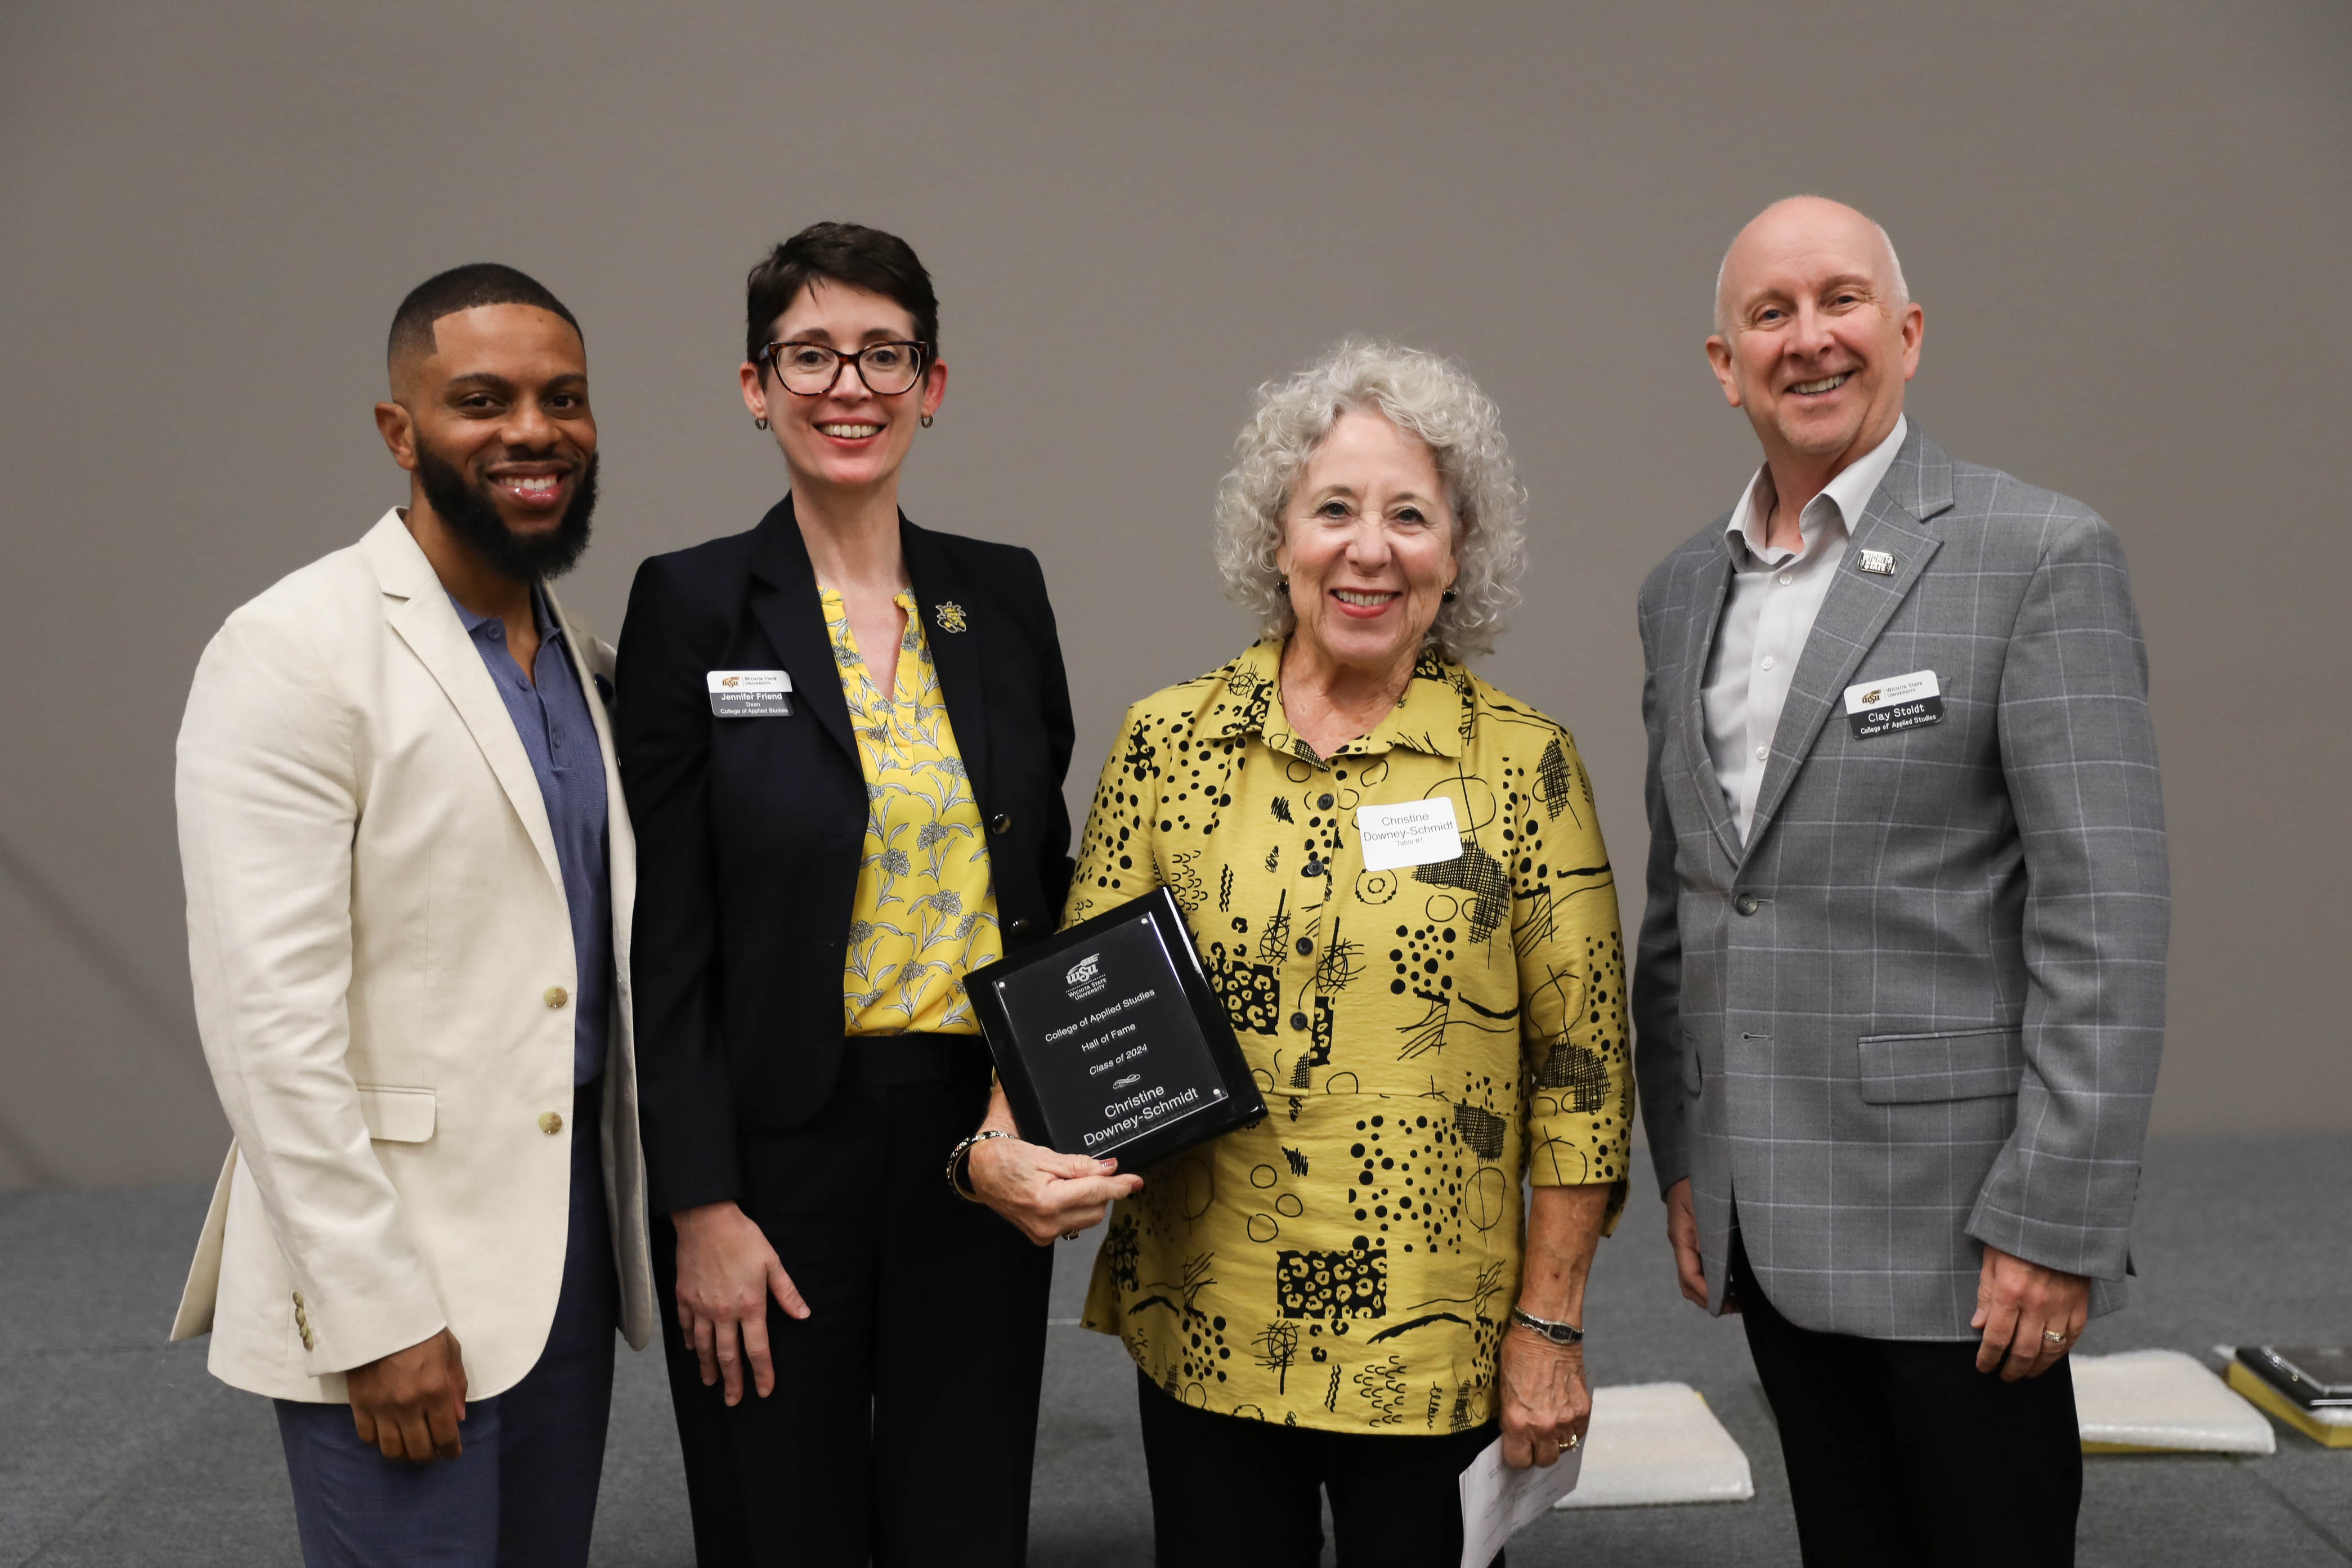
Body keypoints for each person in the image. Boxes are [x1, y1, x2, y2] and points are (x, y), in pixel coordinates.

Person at [1632, 196, 2170, 1566]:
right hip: (1771, 1213)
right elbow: (1688, 899)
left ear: (1908, 333)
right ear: (1721, 361)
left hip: (1963, 1236)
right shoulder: (1681, 590)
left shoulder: (2033, 554)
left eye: (1840, 301)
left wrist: (2055, 1218)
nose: (1808, 339)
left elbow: (2102, 916)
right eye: (1770, 313)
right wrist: (1688, 1156)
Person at [1046, 341, 1633, 1567]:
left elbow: (1582, 1080)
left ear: (1457, 553)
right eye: (1333, 510)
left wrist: (1550, 1326)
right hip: (1210, 1322)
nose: (1369, 549)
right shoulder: (1168, 743)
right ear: (1277, 538)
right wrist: (1018, 1142)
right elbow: (1076, 1009)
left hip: (1434, 1344)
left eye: (1408, 515)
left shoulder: (1522, 766)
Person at [616, 221, 1112, 1568]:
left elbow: (1042, 879)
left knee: (963, 1524)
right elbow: (664, 938)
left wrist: (1049, 1107)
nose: (851, 386)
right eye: (813, 355)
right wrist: (699, 1204)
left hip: (974, 1141)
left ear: (931, 385)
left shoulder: (999, 596)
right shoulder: (692, 605)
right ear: (754, 385)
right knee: (780, 1524)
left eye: (884, 354)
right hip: (774, 1154)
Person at [168, 263, 656, 1567]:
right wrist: (375, 1313)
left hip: (564, 1258)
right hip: (392, 1278)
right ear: (400, 432)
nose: (532, 431)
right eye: (480, 401)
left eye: (564, 399)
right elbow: (268, 1025)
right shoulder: (292, 650)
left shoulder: (590, 660)